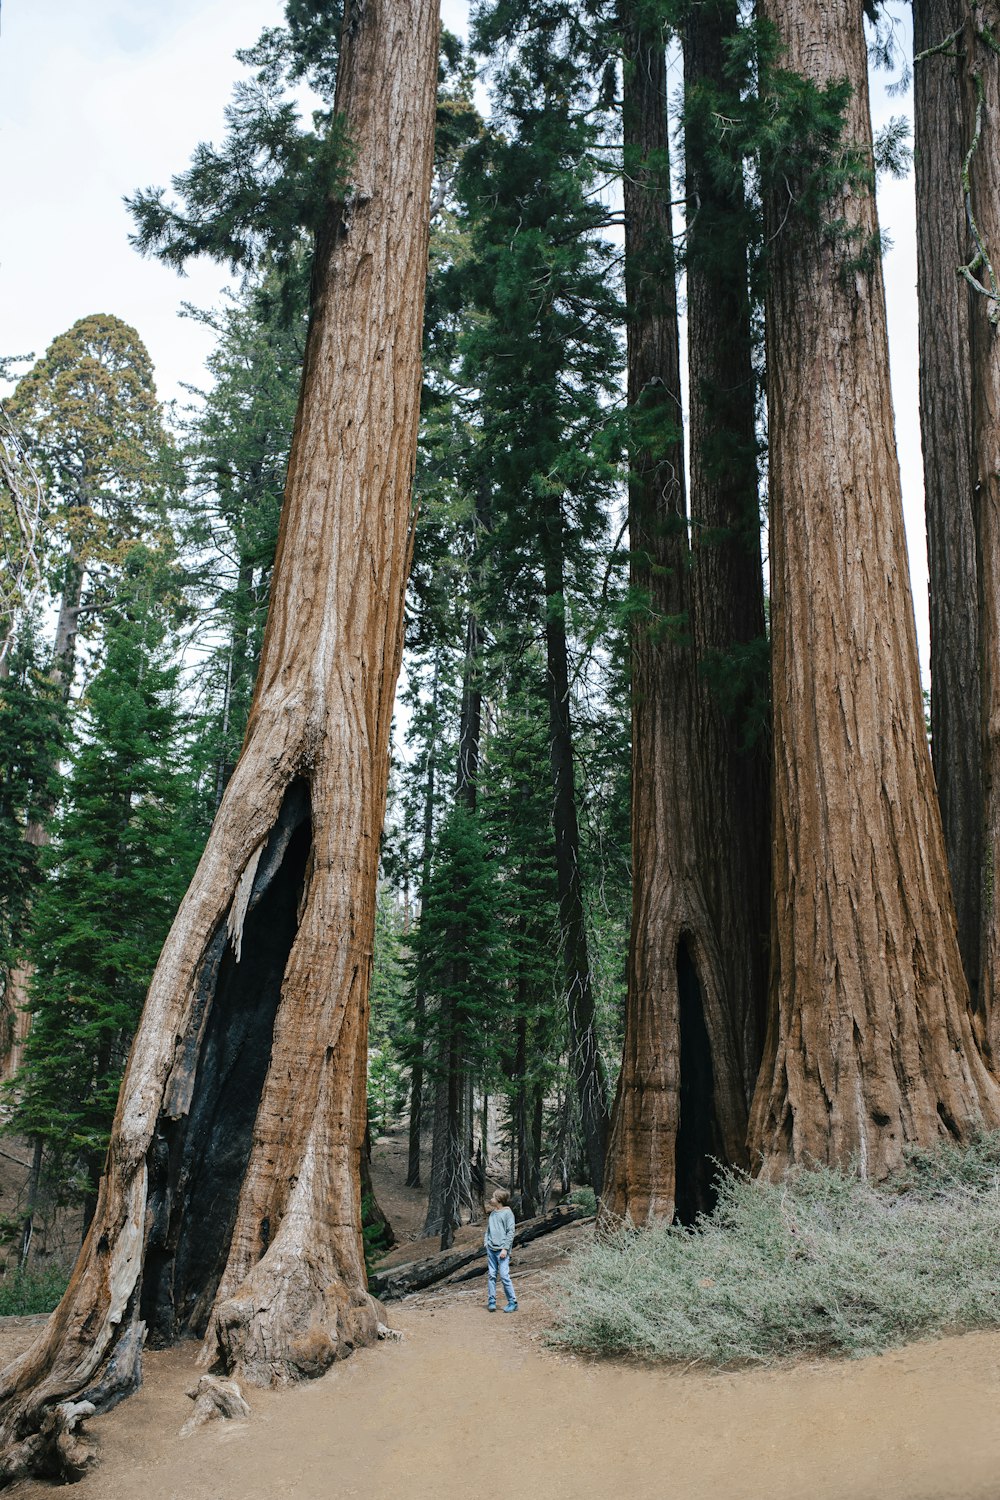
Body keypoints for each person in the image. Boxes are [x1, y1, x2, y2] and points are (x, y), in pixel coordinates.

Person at [484, 1187, 517, 1313]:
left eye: (493, 1197)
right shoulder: (493, 1213)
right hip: (491, 1249)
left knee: (504, 1276)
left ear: (499, 1200)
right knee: (491, 1275)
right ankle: (491, 1300)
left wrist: (505, 1248)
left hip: (502, 1250)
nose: (491, 1199)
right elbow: (489, 1229)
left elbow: (511, 1232)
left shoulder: (508, 1213)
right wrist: (486, 1242)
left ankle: (512, 1301)